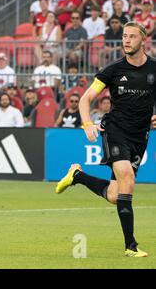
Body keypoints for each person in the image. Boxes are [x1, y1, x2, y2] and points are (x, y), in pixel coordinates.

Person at [55, 21, 156, 258]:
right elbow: (85, 98)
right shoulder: (113, 70)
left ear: (143, 40)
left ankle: (77, 176)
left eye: (132, 36)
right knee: (128, 179)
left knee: (114, 195)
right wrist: (87, 123)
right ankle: (130, 246)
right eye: (124, 36)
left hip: (140, 137)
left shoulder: (154, 69)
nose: (126, 40)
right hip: (115, 131)